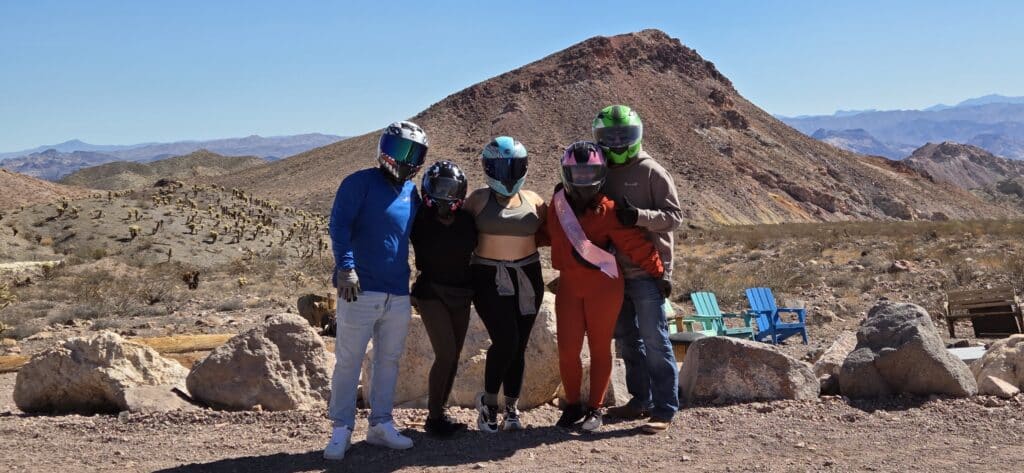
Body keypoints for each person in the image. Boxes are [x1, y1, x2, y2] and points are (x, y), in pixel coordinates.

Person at [540, 141, 665, 432]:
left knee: (599, 349)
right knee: (568, 351)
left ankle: (595, 409)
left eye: (589, 173)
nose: (583, 179)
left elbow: (635, 245)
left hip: (604, 288)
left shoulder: (608, 209)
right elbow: (544, 234)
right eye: (577, 173)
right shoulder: (557, 204)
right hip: (570, 287)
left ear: (600, 173)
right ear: (566, 173)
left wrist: (659, 274)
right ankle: (572, 405)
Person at [324, 121, 428, 461]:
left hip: (397, 289)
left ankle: (381, 423)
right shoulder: (359, 183)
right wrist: (346, 268)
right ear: (384, 149)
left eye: (414, 153)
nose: (406, 159)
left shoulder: (412, 193)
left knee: (389, 360)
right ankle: (341, 428)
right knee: (349, 360)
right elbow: (339, 225)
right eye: (401, 150)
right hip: (359, 288)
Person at [594, 105, 683, 434]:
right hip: (614, 271)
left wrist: (640, 216)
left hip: (647, 270)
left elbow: (674, 217)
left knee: (655, 339)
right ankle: (639, 399)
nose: (617, 143)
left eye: (623, 137)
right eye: (610, 137)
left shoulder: (652, 171)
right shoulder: (601, 170)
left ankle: (665, 407)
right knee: (629, 341)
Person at [462, 136, 546, 433]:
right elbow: (455, 234)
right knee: (506, 339)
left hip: (528, 276)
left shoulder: (535, 200)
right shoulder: (477, 199)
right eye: (500, 167)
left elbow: (552, 234)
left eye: (514, 166)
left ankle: (511, 408)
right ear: (487, 167)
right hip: (487, 277)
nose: (508, 173)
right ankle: (488, 404)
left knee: (519, 345)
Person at [409, 160, 476, 438]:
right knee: (446, 353)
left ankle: (441, 413)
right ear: (428, 188)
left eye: (452, 189)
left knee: (454, 356)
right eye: (440, 188)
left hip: (461, 292)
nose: (446, 196)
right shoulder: (418, 219)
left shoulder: (468, 221)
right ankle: (434, 417)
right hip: (431, 292)